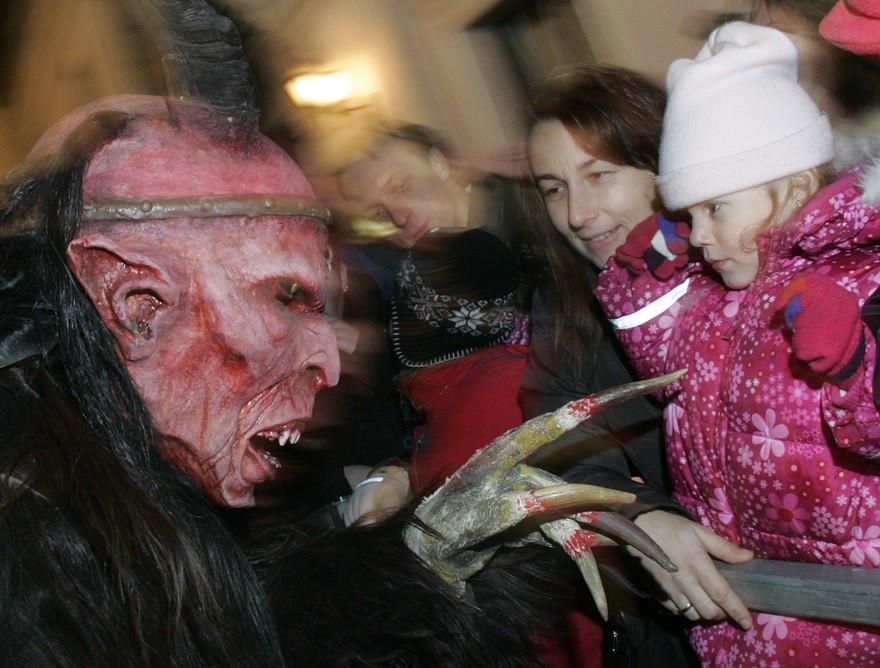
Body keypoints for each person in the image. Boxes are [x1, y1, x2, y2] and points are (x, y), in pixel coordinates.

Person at [596, 21, 880, 666]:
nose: (696, 235)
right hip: (739, 613)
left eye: (715, 209)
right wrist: (643, 283)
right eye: (688, 214)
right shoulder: (715, 296)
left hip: (844, 617)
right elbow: (659, 364)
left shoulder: (863, 276)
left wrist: (857, 362)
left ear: (796, 188)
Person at [524, 64, 712, 667]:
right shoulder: (567, 300)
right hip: (671, 623)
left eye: (599, 175)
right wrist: (642, 515)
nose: (578, 214)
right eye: (554, 188)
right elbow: (555, 438)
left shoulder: (737, 267)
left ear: (664, 163)